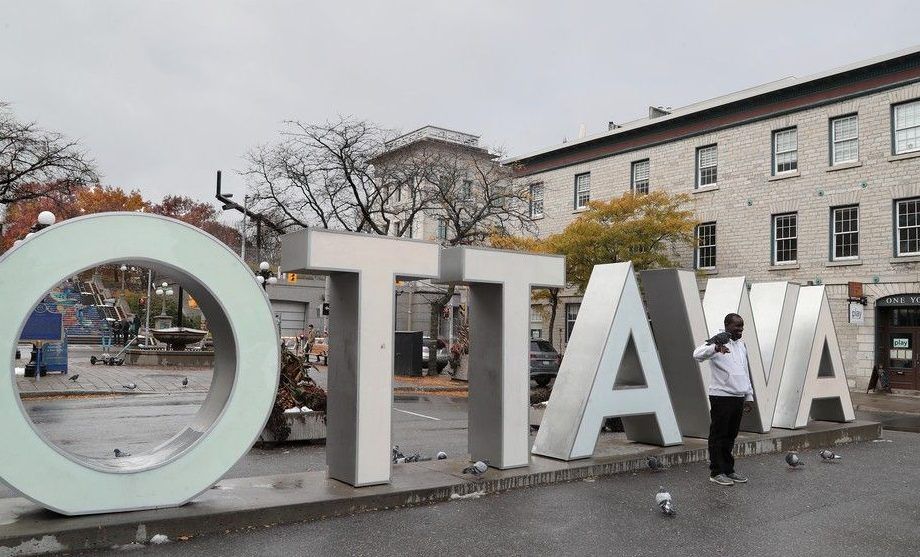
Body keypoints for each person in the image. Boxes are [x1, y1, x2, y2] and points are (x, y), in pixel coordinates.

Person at [693, 313, 753, 487]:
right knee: (718, 436)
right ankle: (716, 472)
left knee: (730, 436)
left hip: (738, 397)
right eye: (737, 326)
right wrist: (715, 346)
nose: (740, 330)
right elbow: (697, 354)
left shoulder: (741, 346)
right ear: (727, 325)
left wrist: (748, 396)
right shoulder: (718, 341)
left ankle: (728, 470)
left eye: (742, 327)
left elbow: (744, 371)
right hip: (721, 396)